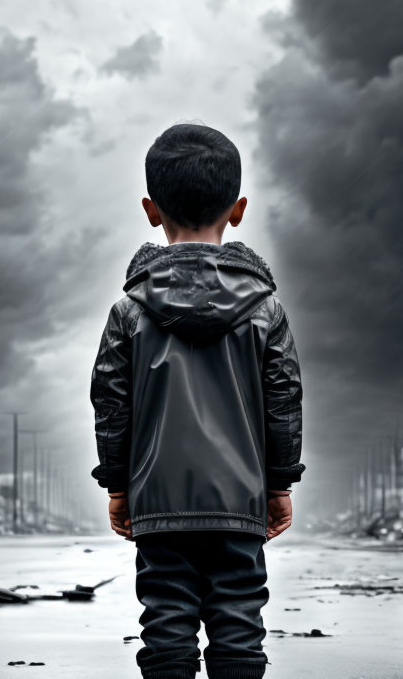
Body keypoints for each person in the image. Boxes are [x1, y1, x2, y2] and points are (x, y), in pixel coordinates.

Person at [89, 121, 305, 679]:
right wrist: (278, 483)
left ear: (150, 209)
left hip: (158, 500)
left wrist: (118, 486)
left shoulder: (129, 312)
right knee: (240, 628)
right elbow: (284, 402)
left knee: (165, 626)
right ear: (237, 209)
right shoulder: (265, 311)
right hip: (240, 500)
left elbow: (110, 404)